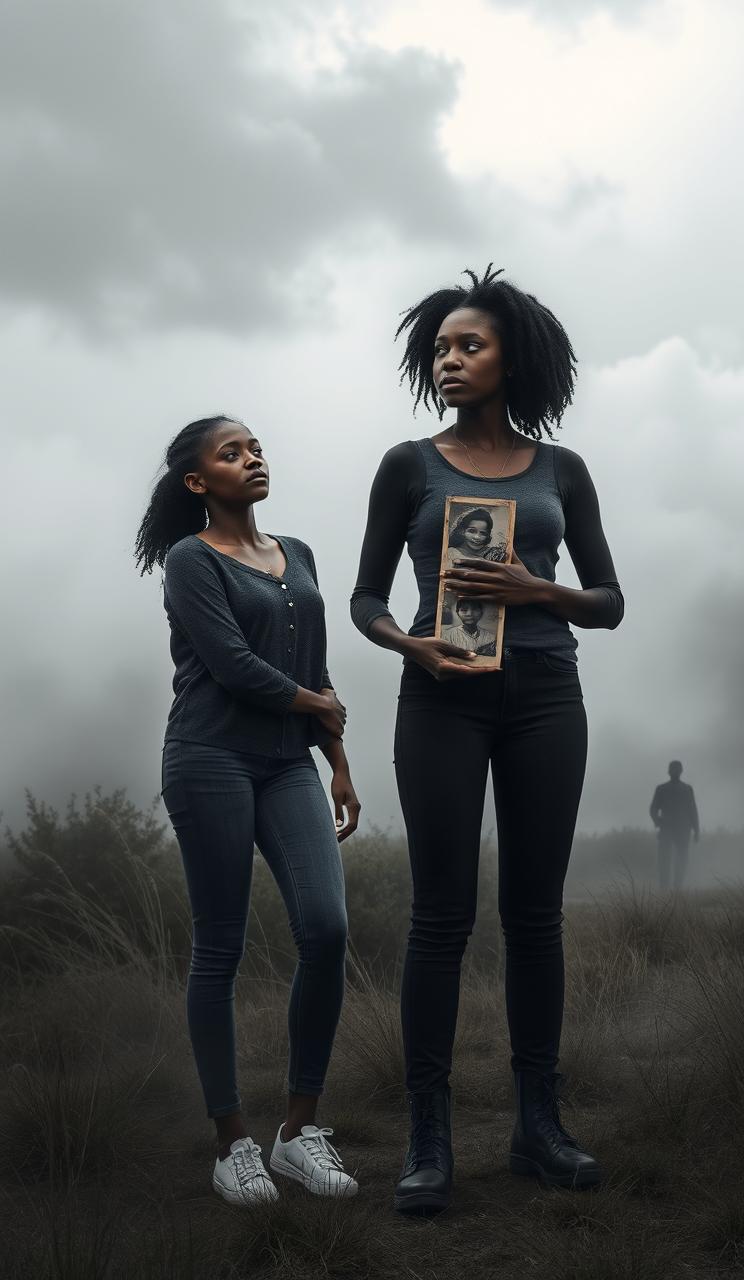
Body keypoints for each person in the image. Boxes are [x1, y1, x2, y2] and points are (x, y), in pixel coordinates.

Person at [351, 265, 624, 1213]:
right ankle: (428, 1140)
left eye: (470, 345)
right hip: (442, 697)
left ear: (512, 357)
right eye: (441, 350)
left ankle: (536, 1127)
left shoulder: (563, 471)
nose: (451, 360)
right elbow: (364, 597)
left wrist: (537, 592)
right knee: (441, 917)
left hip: (547, 693)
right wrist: (409, 643)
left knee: (535, 916)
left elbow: (611, 602)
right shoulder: (407, 466)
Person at [135, 415, 361, 1207]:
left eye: (255, 446)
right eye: (231, 452)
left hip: (286, 765)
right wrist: (315, 705)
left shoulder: (293, 553)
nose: (252, 457)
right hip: (209, 758)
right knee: (220, 946)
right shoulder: (190, 561)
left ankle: (298, 1134)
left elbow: (316, 668)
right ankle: (231, 1143)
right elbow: (232, 665)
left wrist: (336, 762)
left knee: (327, 929)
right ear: (199, 482)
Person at [649, 761, 699, 890]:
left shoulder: (687, 789)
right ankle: (664, 886)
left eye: (677, 769)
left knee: (682, 858)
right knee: (664, 859)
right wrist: (658, 821)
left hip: (683, 829)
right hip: (667, 828)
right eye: (673, 769)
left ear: (681, 771)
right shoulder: (661, 789)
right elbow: (653, 808)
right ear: (669, 771)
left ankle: (678, 886)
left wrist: (697, 830)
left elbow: (693, 810)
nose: (675, 771)